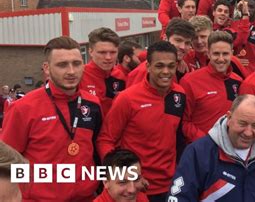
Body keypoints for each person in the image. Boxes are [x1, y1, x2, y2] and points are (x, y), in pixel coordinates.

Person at [2, 36, 103, 201]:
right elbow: (6, 163)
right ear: (47, 68)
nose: (71, 71)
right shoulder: (23, 108)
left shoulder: (92, 103)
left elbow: (96, 149)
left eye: (76, 63)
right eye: (62, 65)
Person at [97, 41, 186, 202]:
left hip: (171, 185)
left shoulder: (179, 94)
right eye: (159, 66)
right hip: (137, 189)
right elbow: (105, 140)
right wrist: (127, 177)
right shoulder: (127, 99)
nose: (166, 71)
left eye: (171, 66)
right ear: (148, 66)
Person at [168, 94, 255, 201]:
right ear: (229, 118)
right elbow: (179, 197)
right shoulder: (199, 153)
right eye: (242, 123)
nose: (248, 132)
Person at [180, 31, 242, 143]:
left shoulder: (238, 81)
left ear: (232, 54)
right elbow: (184, 122)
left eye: (225, 54)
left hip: (230, 150)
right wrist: (207, 142)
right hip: (201, 150)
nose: (221, 59)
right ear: (208, 53)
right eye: (216, 54)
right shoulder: (189, 81)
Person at [127, 18, 196, 86]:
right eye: (178, 40)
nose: (183, 47)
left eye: (187, 43)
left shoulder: (184, 66)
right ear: (165, 38)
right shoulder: (144, 71)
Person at [80, 27, 126, 115]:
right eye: (102, 52)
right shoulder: (79, 76)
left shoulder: (120, 76)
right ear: (90, 52)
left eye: (113, 52)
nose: (108, 57)